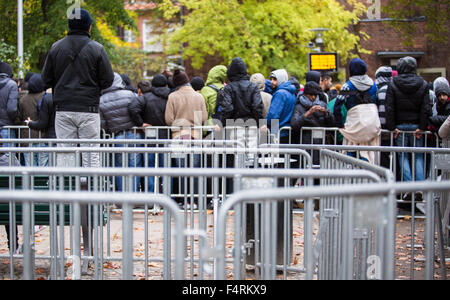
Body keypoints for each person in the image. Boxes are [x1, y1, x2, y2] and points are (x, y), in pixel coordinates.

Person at [41, 8, 114, 169]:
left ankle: (66, 192)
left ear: (69, 25)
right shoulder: (97, 49)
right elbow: (108, 80)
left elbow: (45, 79)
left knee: (65, 156)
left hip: (63, 108)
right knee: (91, 157)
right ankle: (92, 192)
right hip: (89, 108)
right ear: (89, 27)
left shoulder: (56, 48)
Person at [386, 56, 431, 186]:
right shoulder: (423, 84)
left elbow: (390, 107)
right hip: (417, 126)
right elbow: (426, 108)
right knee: (418, 156)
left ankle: (407, 187)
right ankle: (420, 187)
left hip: (399, 127)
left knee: (402, 155)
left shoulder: (393, 83)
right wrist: (422, 127)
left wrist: (391, 127)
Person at [99, 73, 142, 192]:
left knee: (119, 167)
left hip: (116, 136)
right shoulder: (131, 95)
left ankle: (122, 197)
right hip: (134, 134)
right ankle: (133, 196)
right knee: (134, 165)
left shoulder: (101, 100)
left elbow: (102, 124)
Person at [129, 74, 171, 193]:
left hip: (149, 135)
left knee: (149, 167)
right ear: (166, 85)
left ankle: (150, 197)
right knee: (167, 169)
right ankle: (167, 197)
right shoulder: (171, 97)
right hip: (166, 135)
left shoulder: (145, 97)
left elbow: (132, 108)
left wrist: (141, 123)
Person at [334, 58, 380, 164]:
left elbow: (337, 107)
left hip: (354, 125)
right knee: (369, 153)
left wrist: (340, 125)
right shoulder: (373, 86)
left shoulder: (347, 87)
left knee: (351, 152)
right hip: (371, 125)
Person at [221, 57, 263, 149]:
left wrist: (222, 123)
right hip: (252, 126)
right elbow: (257, 107)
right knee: (252, 155)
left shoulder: (229, 88)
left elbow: (228, 108)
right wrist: (260, 123)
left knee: (238, 156)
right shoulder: (253, 86)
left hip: (236, 126)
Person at [291, 81, 335, 165]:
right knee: (306, 167)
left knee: (320, 167)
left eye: (315, 95)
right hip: (305, 144)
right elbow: (294, 124)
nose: (313, 97)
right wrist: (308, 113)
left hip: (321, 144)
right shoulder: (299, 107)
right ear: (305, 94)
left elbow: (332, 123)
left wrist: (326, 113)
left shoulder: (322, 104)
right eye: (311, 95)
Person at [15, 73, 46, 166]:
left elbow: (18, 119)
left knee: (30, 169)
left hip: (27, 138)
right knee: (44, 168)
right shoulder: (45, 98)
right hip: (43, 137)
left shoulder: (23, 100)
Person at [265, 69, 296, 144]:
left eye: (275, 79)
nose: (272, 82)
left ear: (281, 79)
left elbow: (273, 115)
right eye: (271, 79)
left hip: (278, 132)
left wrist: (264, 123)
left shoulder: (280, 94)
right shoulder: (291, 92)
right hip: (287, 131)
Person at [375, 66, 394, 168]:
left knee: (384, 157)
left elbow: (380, 110)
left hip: (383, 130)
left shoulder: (380, 91)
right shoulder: (394, 88)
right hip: (395, 130)